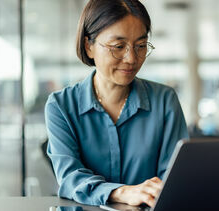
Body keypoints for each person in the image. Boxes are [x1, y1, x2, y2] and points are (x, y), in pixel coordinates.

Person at [44, 0, 188, 207]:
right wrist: (122, 192)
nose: (131, 58)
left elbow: (175, 178)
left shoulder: (164, 101)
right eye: (118, 47)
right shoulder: (61, 106)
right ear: (89, 46)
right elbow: (70, 178)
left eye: (140, 46)